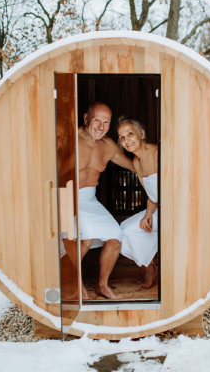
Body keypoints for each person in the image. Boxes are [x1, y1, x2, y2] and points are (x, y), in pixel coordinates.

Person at [59, 102, 135, 300]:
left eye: (106, 122)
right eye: (96, 121)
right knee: (86, 234)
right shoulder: (69, 139)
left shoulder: (108, 146)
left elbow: (134, 166)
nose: (101, 127)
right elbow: (50, 167)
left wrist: (155, 166)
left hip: (89, 199)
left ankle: (103, 286)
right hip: (67, 195)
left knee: (115, 237)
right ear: (86, 119)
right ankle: (76, 284)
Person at [116, 116, 159, 289]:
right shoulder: (137, 162)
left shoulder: (157, 154)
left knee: (132, 231)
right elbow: (152, 196)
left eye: (130, 134)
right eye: (122, 137)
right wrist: (148, 214)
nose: (126, 140)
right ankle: (149, 266)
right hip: (158, 209)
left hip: (176, 210)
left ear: (141, 133)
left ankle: (148, 269)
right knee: (124, 229)